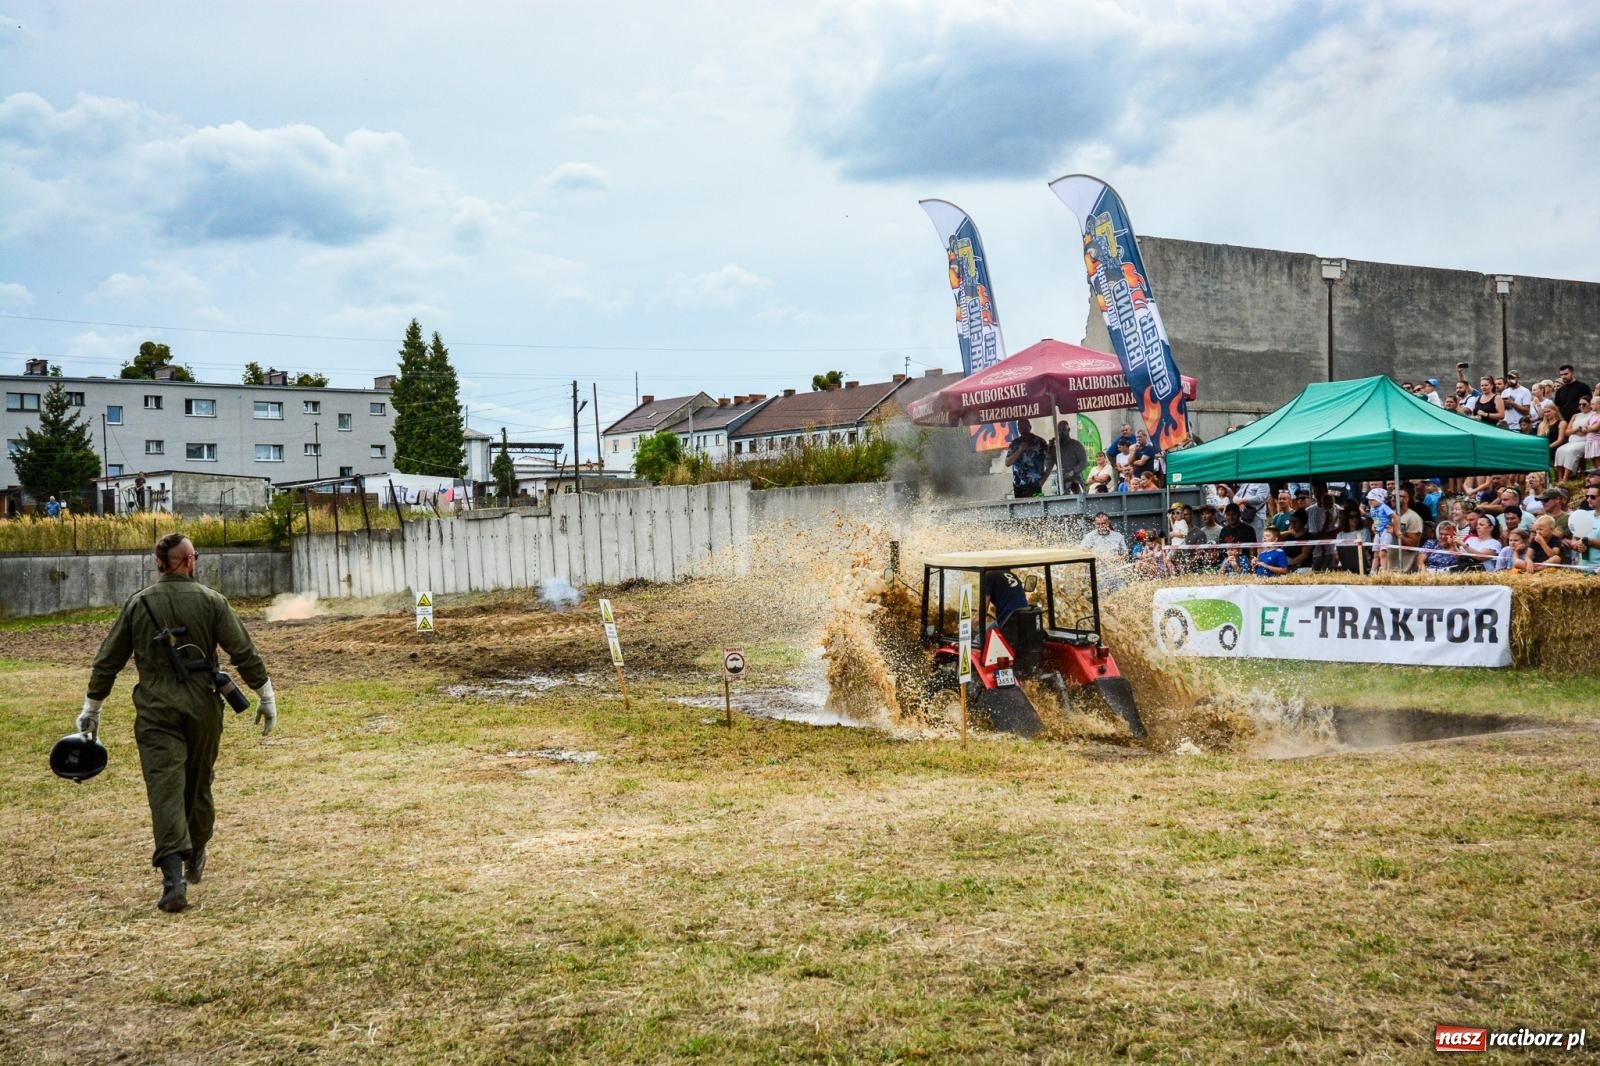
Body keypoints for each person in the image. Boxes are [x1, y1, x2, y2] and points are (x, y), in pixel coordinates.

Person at [77, 533, 278, 913]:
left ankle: (173, 879)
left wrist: (92, 708)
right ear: (187, 561)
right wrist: (266, 695)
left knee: (164, 787)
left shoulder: (138, 604)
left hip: (155, 710)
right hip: (203, 706)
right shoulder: (211, 601)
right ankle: (195, 851)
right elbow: (243, 651)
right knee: (199, 784)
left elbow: (108, 661)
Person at [1003, 418, 1052, 498]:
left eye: (1025, 427)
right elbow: (1007, 463)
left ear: (1030, 427)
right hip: (1019, 486)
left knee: (1038, 507)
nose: (1023, 430)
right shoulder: (1014, 443)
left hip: (1036, 485)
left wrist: (1043, 481)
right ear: (1018, 429)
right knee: (1020, 509)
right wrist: (1019, 450)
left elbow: (1050, 461)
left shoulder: (1040, 442)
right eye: (1021, 428)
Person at [1554, 396, 1595, 479]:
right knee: (1559, 450)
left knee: (1570, 452)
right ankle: (1559, 479)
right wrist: (1576, 429)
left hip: (1585, 441)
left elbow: (1587, 431)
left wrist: (1578, 430)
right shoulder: (1576, 416)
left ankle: (1565, 479)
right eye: (1579, 404)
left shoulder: (1594, 415)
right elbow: (1567, 432)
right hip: (1572, 441)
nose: (1581, 406)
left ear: (1590, 404)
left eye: (1584, 404)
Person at [1366, 488, 1396, 573]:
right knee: (1376, 553)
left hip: (1386, 531)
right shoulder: (1372, 509)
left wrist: (1395, 529)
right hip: (1378, 532)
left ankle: (1383, 571)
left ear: (1380, 499)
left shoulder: (1384, 507)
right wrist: (1374, 525)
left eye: (1372, 499)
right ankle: (1373, 571)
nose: (1370, 501)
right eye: (1369, 499)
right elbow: (1376, 519)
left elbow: (1395, 517)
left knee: (1383, 552)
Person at [1053, 420, 1087, 493]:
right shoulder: (1055, 447)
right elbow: (1048, 464)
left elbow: (1084, 463)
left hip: (1075, 481)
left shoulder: (1076, 445)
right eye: (1059, 430)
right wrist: (1049, 450)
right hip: (1060, 480)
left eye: (1064, 429)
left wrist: (1072, 472)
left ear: (1068, 430)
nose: (1061, 432)